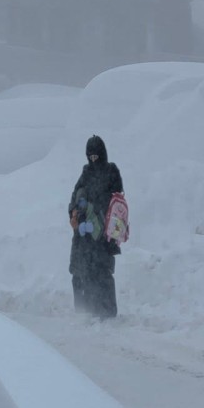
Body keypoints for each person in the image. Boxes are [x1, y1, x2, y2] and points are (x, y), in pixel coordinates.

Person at [68, 135, 122, 318]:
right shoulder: (86, 173)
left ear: (103, 154)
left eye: (96, 156)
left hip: (103, 235)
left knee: (103, 274)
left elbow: (116, 200)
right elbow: (74, 197)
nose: (93, 160)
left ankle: (107, 314)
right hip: (84, 238)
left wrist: (97, 216)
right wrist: (76, 215)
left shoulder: (111, 171)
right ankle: (86, 312)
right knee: (83, 273)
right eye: (90, 157)